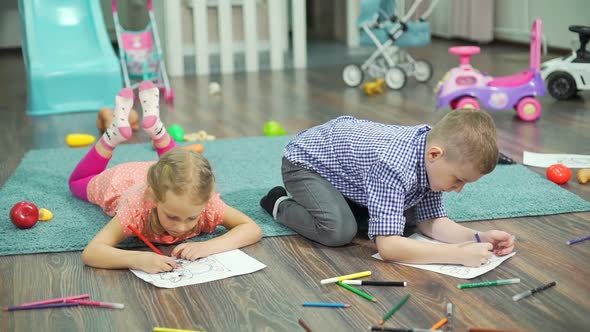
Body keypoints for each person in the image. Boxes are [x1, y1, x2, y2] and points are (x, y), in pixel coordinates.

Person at [260, 109, 514, 267]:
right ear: (435, 154)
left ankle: (344, 206)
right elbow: (389, 248)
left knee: (410, 220)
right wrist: (458, 255)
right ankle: (279, 204)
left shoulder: (432, 159)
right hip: (304, 164)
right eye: (458, 180)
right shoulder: (393, 165)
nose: (458, 189)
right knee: (339, 231)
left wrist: (478, 237)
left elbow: (432, 221)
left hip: (346, 175)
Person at [71, 81, 262, 273]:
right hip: (120, 180)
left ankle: (157, 128)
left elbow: (251, 228)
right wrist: (137, 258)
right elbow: (92, 252)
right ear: (153, 198)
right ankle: (112, 135)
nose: (180, 227)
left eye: (191, 218)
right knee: (77, 182)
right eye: (172, 216)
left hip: (165, 178)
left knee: (181, 165)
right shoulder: (136, 209)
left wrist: (208, 246)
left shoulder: (205, 202)